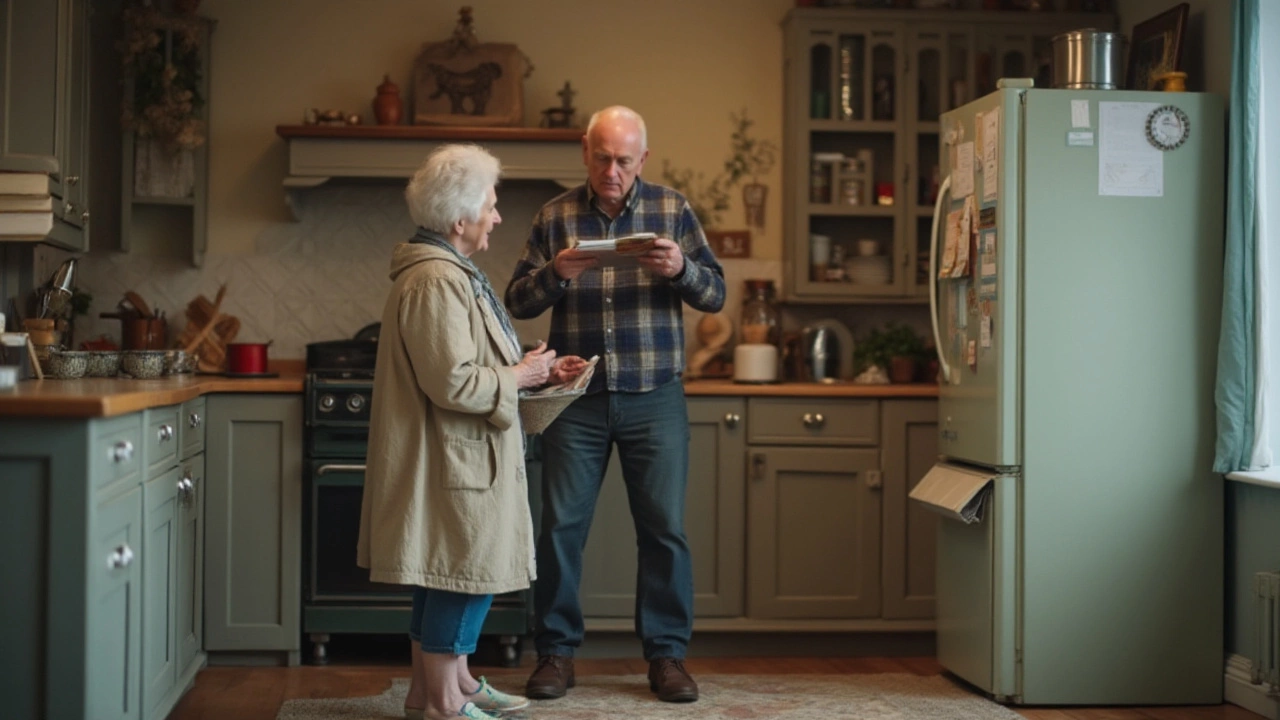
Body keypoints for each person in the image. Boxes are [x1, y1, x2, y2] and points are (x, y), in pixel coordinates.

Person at [357, 143, 588, 720]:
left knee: (450, 573)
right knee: (463, 575)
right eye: (490, 203)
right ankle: (442, 706)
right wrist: (520, 373)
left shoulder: (449, 272)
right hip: (455, 459)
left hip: (463, 455)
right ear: (460, 220)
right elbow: (454, 382)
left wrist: (535, 375)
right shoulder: (437, 280)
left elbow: (472, 365)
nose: (498, 215)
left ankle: (445, 687)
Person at [505, 105, 726, 704]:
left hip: (655, 396)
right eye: (602, 157)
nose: (612, 170)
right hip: (575, 400)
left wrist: (681, 268)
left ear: (642, 160)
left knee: (665, 532)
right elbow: (518, 302)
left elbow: (715, 293)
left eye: (624, 160)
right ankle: (555, 654)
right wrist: (556, 272)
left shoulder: (672, 210)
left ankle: (667, 659)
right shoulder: (554, 216)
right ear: (585, 151)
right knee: (560, 530)